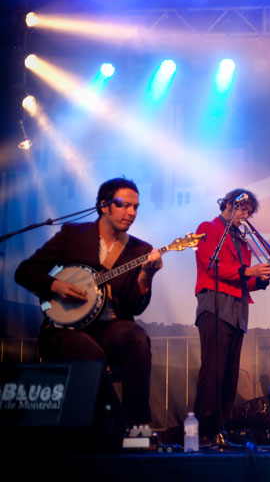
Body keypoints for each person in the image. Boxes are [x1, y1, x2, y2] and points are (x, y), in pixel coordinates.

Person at [15, 177, 163, 427]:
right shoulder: (73, 235)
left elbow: (135, 306)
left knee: (137, 338)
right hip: (66, 328)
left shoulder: (140, 250)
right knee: (90, 354)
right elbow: (25, 271)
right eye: (124, 205)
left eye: (136, 207)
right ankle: (113, 425)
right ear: (104, 205)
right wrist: (55, 285)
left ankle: (139, 427)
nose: (131, 212)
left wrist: (146, 275)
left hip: (111, 327)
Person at [193, 188, 270, 442]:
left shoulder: (242, 240)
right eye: (242, 209)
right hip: (214, 306)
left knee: (229, 375)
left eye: (249, 211)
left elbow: (243, 279)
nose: (245, 214)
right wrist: (250, 270)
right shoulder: (208, 227)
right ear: (228, 204)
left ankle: (220, 431)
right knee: (212, 371)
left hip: (237, 310)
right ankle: (203, 432)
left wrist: (264, 277)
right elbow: (212, 265)